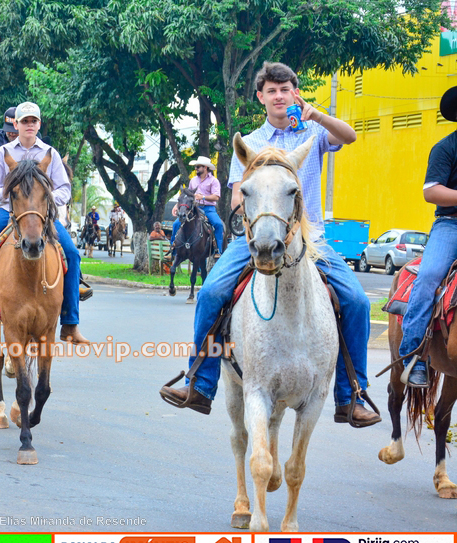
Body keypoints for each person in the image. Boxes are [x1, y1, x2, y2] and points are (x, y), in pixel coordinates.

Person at [159, 61, 380, 428]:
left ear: (296, 93)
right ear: (261, 97)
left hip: (311, 240)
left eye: (285, 89)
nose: (279, 96)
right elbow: (236, 198)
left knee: (357, 302)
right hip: (256, 237)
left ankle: (351, 395)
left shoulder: (314, 133)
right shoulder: (249, 144)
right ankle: (200, 382)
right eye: (272, 91)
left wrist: (317, 114)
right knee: (211, 292)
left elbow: (350, 136)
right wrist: (256, 210)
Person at [0, 101, 90, 343]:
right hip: (8, 211)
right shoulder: (3, 153)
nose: (29, 125)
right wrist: (11, 193)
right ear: (16, 124)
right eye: (25, 121)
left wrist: (44, 198)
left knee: (72, 253)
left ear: (39, 124)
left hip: (43, 214)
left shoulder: (50, 154)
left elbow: (64, 189)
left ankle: (70, 323)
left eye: (33, 121)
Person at [398, 86, 457, 388]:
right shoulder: (445, 148)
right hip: (451, 225)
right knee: (429, 275)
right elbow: (431, 191)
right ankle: (413, 355)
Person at [171, 157, 224, 255]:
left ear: (205, 167)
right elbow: (187, 195)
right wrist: (176, 205)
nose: (196, 168)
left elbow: (216, 197)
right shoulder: (193, 180)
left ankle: (218, 250)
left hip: (209, 209)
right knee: (176, 224)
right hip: (195, 208)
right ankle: (173, 248)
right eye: (195, 166)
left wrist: (203, 197)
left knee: (218, 224)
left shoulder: (214, 181)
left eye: (198, 167)